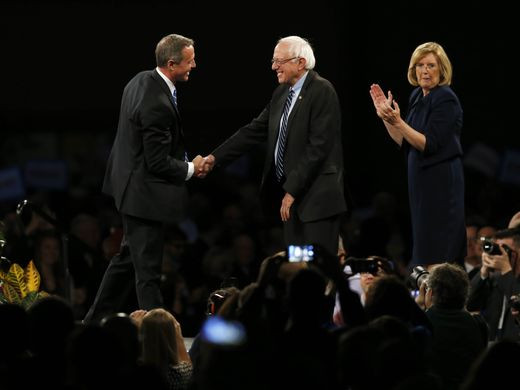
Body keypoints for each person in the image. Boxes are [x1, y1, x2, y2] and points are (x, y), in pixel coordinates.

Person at [84, 34, 208, 323]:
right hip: (144, 196)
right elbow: (157, 161)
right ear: (171, 63)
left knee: (127, 261)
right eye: (189, 61)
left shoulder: (140, 80)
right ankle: (159, 338)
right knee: (148, 270)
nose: (194, 65)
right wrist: (191, 168)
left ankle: (92, 322)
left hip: (129, 187)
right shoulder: (158, 104)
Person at [203, 36, 347, 256]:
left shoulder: (321, 90)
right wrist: (215, 157)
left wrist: (292, 190)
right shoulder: (281, 94)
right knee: (298, 269)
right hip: (292, 201)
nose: (273, 66)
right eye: (273, 61)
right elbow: (253, 131)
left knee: (319, 269)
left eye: (280, 61)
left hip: (316, 200)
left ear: (300, 62)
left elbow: (318, 147)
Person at [370, 42, 466, 266]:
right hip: (421, 181)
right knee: (424, 246)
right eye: (420, 65)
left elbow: (428, 144)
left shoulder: (445, 98)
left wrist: (398, 121)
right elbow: (404, 140)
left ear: (442, 69)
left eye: (431, 65)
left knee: (439, 247)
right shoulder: (417, 96)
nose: (425, 70)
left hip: (440, 183)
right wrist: (387, 117)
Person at [467, 227, 520, 341]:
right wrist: (483, 272)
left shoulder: (506, 277)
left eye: (504, 249)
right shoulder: (495, 279)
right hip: (492, 346)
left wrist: (506, 269)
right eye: (497, 248)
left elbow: (516, 302)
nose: (499, 254)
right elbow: (469, 304)